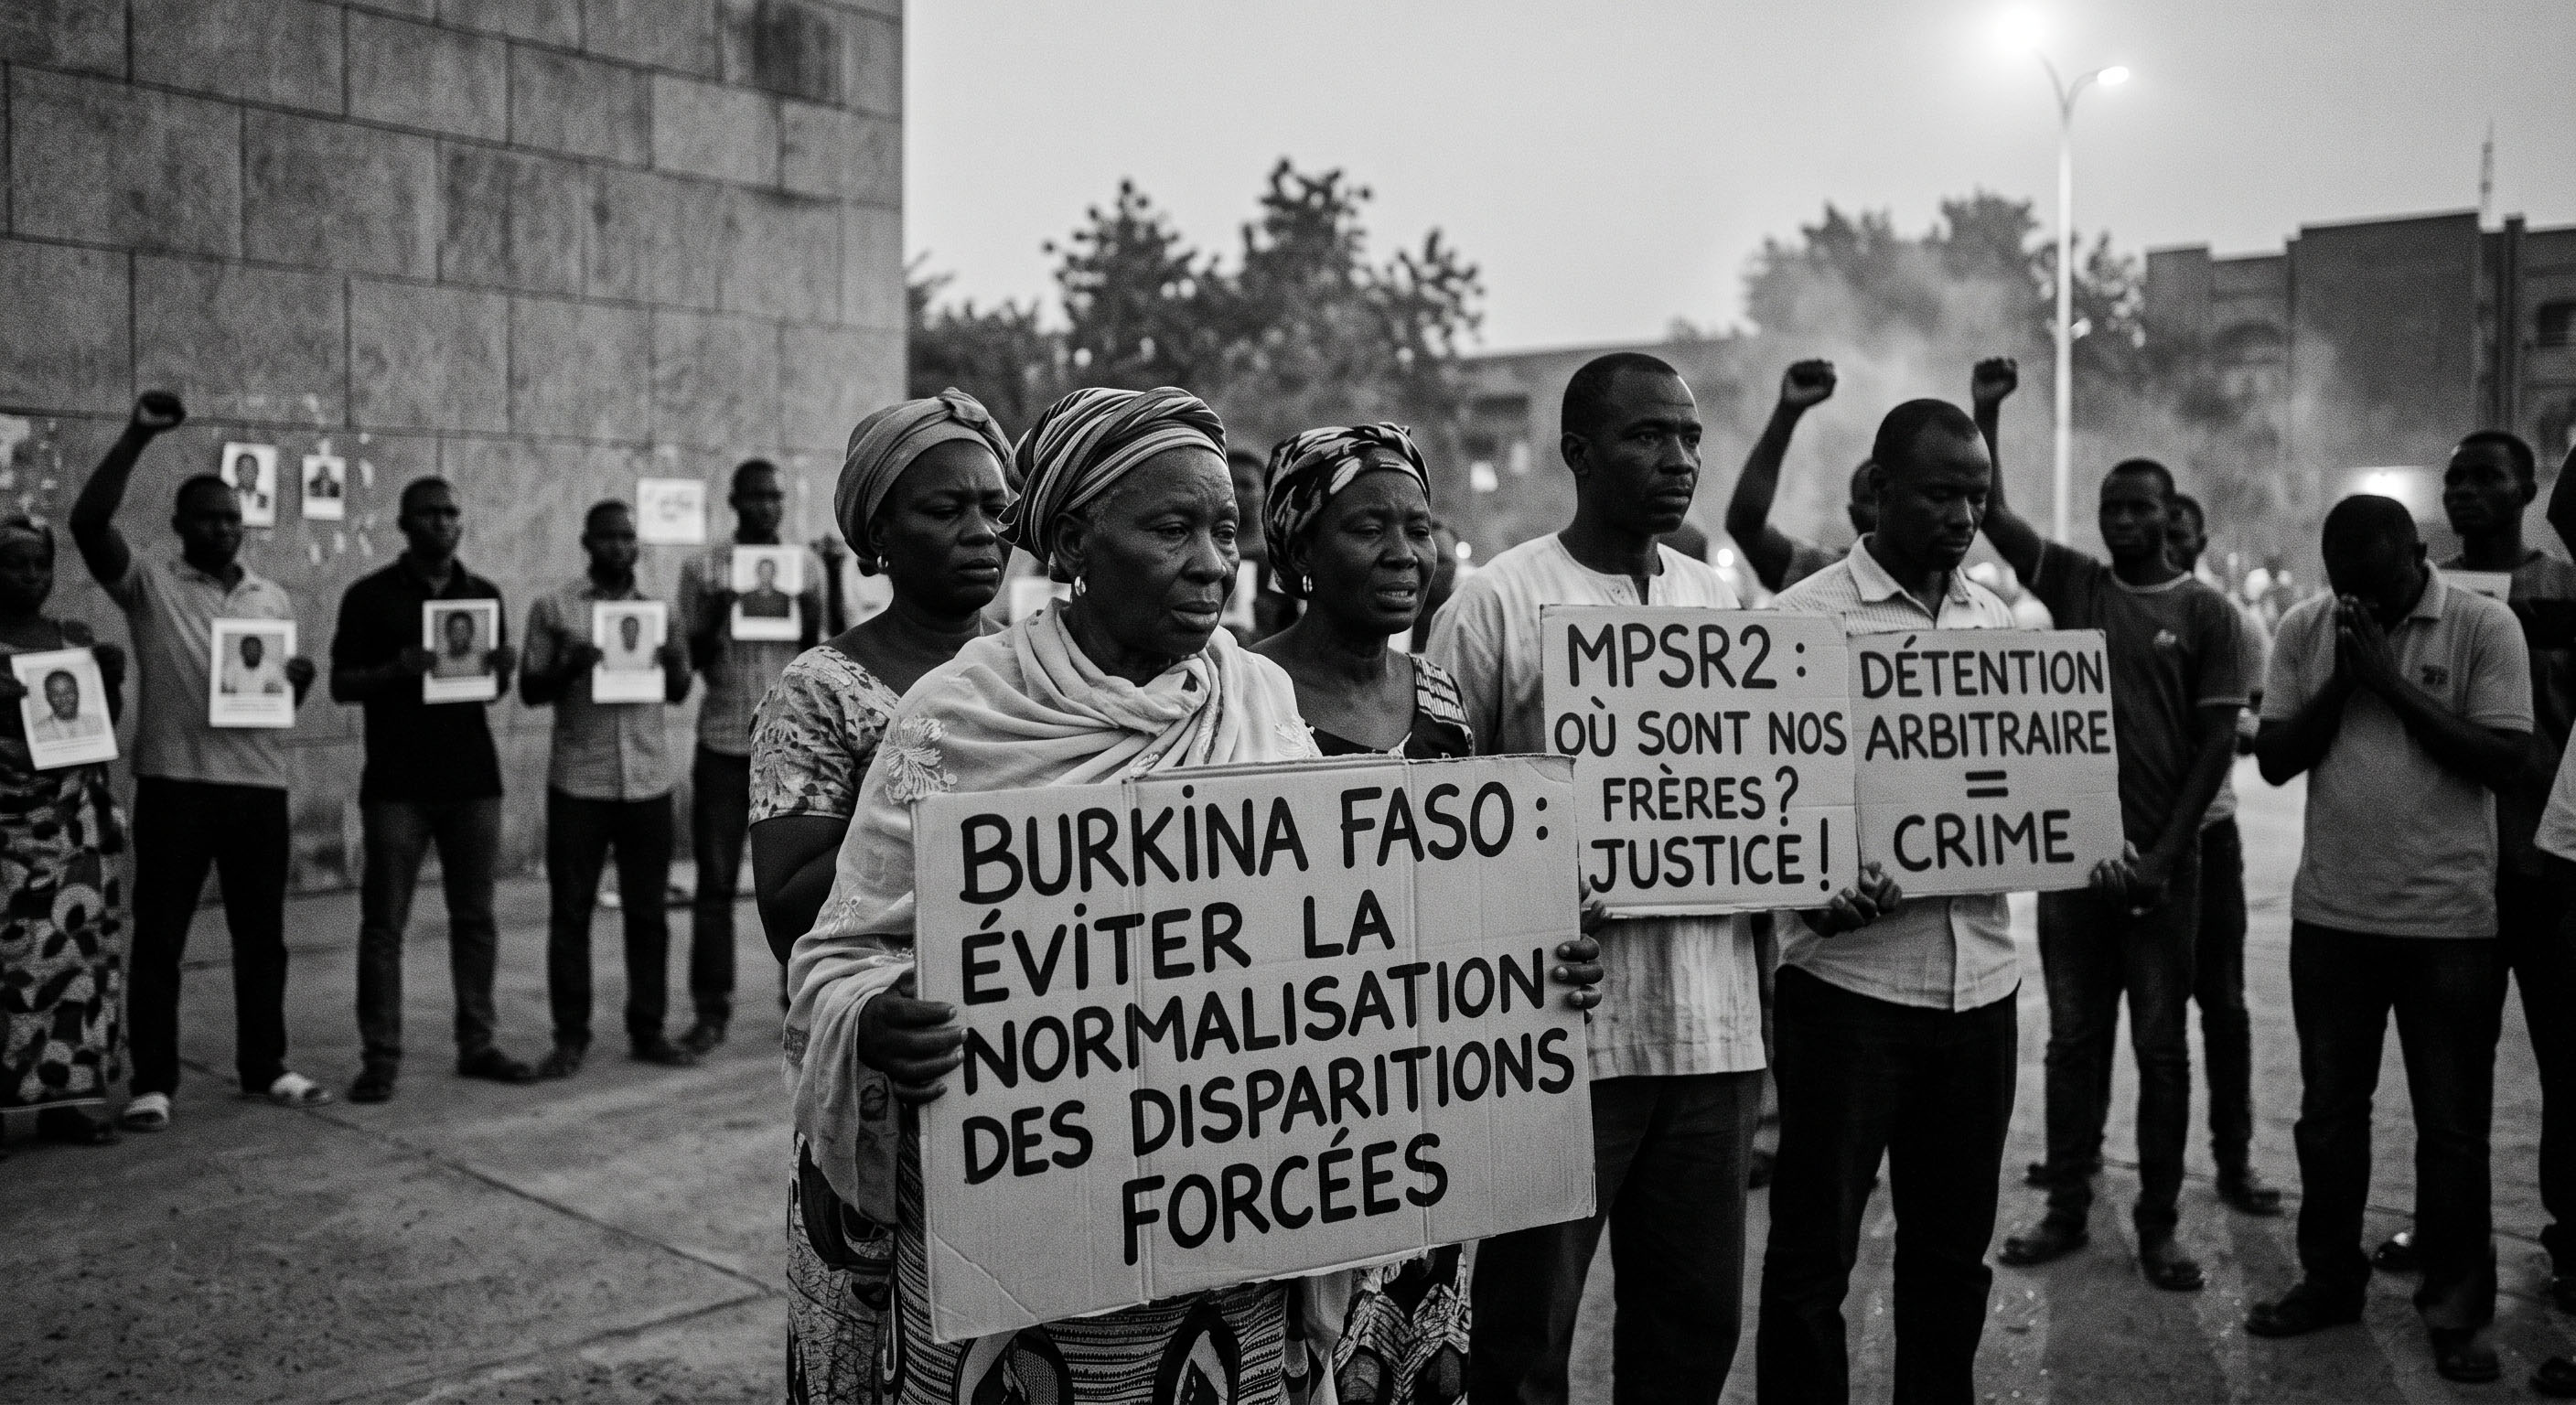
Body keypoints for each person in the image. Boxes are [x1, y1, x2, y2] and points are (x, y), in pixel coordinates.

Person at [786, 383, 1602, 1404]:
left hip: (1233, 1253)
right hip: (1025, 1267)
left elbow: (1359, 924)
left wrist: (1519, 960)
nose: (1214, 562)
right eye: (1172, 529)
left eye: (1224, 529)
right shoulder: (962, 712)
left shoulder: (1255, 698)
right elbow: (836, 954)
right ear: (1075, 543)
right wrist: (873, 1021)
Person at [1429, 351, 1764, 1404]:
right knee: (1526, 1339)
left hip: (1713, 1033)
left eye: (1690, 437)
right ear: (1576, 453)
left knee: (1692, 1328)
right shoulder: (1493, 605)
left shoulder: (1723, 604)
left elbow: (1768, 799)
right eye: (1647, 436)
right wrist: (1522, 914)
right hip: (1555, 1037)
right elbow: (1433, 825)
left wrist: (1814, 871)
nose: (1678, 460)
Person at [753, 388, 1014, 1402]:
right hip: (893, 1071)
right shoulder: (822, 688)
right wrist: (919, 787)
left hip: (1027, 1081)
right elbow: (790, 908)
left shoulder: (1046, 676)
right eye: (943, 510)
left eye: (995, 508)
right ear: (877, 538)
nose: (981, 532)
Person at [1759, 398, 2021, 1405]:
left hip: (1981, 989)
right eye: (1941, 492)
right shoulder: (1796, 623)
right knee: (1812, 1261)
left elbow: (2022, 788)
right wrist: (1805, 886)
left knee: (1952, 1257)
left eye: (1978, 496)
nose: (1963, 515)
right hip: (1850, 992)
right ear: (1878, 489)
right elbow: (1759, 814)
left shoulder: (1995, 621)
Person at [2244, 493, 2530, 1384]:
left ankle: (2452, 1308)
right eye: (2342, 591)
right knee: (2328, 1116)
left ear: (2416, 554)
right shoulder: (2305, 626)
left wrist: (2389, 682)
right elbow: (2275, 758)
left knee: (2450, 1128)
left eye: (2371, 588)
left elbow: (2500, 761)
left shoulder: (2484, 628)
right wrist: (2344, 672)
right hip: (2330, 915)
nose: (2354, 606)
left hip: (2446, 921)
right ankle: (2327, 1281)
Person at [1971, 395, 2249, 1290]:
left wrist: (2163, 860)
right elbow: (1995, 519)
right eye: (2109, 507)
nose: (2122, 520)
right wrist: (1986, 412)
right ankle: (2065, 1207)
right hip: (2069, 863)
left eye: (2138, 507)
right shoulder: (2077, 585)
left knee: (2161, 1051)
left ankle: (2158, 1224)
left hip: (2167, 872)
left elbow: (2213, 748)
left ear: (2169, 517)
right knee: (2071, 1044)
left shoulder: (2208, 616)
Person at [70, 391, 325, 1130]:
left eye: (233, 518)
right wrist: (134, 436)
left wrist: (294, 687)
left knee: (261, 938)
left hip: (257, 787)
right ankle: (154, 1082)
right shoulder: (151, 585)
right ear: (180, 526)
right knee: (160, 938)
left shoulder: (270, 598)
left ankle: (265, 1065)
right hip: (177, 785)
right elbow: (87, 524)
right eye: (209, 517)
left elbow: (269, 702)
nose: (224, 528)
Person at [2374, 431, 2576, 1289]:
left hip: (2550, 865)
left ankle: (2569, 1240)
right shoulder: (2429, 589)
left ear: (2529, 488)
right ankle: (2444, 1228)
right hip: (2454, 865)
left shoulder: (2567, 589)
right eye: (2454, 479)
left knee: (2568, 1065)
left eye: (2486, 477)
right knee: (2448, 1073)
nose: (2465, 492)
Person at [327, 477, 531, 1104]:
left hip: (472, 780)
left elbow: (481, 689)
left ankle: (478, 1043)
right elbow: (340, 684)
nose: (444, 523)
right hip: (398, 785)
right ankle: (380, 1057)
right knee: (385, 924)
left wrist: (500, 673)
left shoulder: (483, 595)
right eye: (430, 513)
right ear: (404, 523)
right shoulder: (369, 597)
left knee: (475, 918)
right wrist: (395, 671)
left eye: (452, 512)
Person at [522, 500, 697, 1078]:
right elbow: (529, 689)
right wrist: (569, 664)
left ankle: (648, 1029)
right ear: (587, 541)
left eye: (629, 537)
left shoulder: (658, 610)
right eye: (610, 537)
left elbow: (674, 692)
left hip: (647, 779)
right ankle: (569, 1036)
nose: (621, 546)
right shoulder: (555, 608)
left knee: (648, 914)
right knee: (571, 912)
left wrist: (676, 665)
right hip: (579, 780)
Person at [2157, 492, 2283, 1217]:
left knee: (2224, 1005)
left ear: (2200, 537)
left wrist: (2234, 724)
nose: (2166, 543)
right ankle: (2082, 1174)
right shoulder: (2111, 612)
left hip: (2212, 834)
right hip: (2132, 836)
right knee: (2133, 1021)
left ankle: (2233, 1161)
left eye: (2178, 532)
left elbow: (2264, 714)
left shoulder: (2229, 622)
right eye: (2153, 529)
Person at [678, 459, 826, 1055]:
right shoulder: (704, 569)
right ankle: (711, 1011)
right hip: (723, 742)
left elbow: (826, 648)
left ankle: (802, 1005)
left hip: (793, 748)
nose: (767, 507)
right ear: (734, 501)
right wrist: (716, 611)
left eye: (774, 497)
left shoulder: (806, 568)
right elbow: (687, 657)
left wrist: (812, 602)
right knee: (714, 884)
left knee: (796, 885)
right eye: (755, 497)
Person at [0, 516, 128, 1146]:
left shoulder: (72, 638)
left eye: (41, 564)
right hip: (9, 832)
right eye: (15, 563)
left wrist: (111, 680)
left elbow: (100, 731)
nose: (31, 576)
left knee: (76, 967)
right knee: (9, 974)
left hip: (74, 828)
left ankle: (65, 1099)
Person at [31, 670, 103, 743]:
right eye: (56, 694)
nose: (63, 699)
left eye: (68, 692)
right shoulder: (37, 733)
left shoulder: (99, 725)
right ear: (48, 698)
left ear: (77, 693)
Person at [740, 555, 793, 620]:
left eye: (769, 571)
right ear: (757, 572)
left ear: (774, 573)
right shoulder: (746, 598)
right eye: (763, 571)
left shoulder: (784, 599)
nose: (766, 575)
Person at [435, 607, 482, 676]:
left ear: (470, 633)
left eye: (463, 629)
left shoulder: (479, 662)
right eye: (455, 629)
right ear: (448, 633)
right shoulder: (440, 663)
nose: (459, 634)